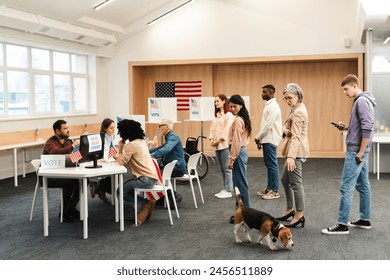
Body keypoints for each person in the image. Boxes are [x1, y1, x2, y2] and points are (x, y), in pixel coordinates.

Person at [322, 74, 376, 235]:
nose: (345, 92)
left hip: (356, 152)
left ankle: (342, 224)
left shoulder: (361, 101)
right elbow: (361, 128)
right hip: (361, 150)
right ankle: (365, 219)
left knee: (346, 186)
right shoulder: (364, 101)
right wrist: (347, 128)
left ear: (354, 85)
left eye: (346, 89)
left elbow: (368, 127)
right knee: (363, 185)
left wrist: (360, 151)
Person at [114, 119, 160, 225]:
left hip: (145, 179)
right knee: (126, 188)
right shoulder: (141, 142)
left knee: (120, 191)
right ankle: (146, 204)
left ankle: (144, 205)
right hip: (151, 177)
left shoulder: (131, 145)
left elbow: (121, 161)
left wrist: (120, 148)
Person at [277, 83, 309, 228]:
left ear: (298, 96)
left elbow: (295, 136)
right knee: (285, 180)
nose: (288, 101)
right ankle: (290, 209)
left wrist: (291, 157)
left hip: (295, 152)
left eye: (289, 97)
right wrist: (285, 129)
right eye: (285, 98)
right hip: (293, 151)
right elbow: (286, 127)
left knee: (296, 184)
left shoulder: (299, 112)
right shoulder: (295, 109)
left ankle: (299, 214)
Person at [42, 119, 80, 222]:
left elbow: (74, 158)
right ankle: (64, 212)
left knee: (82, 182)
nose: (68, 130)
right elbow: (55, 153)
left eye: (68, 128)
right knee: (70, 184)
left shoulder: (68, 141)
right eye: (65, 128)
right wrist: (72, 147)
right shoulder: (50, 143)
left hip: (64, 173)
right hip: (49, 176)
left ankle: (70, 208)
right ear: (57, 131)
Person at [254, 84, 283, 200]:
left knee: (272, 165)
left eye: (265, 92)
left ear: (272, 93)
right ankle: (270, 188)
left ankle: (275, 191)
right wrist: (260, 139)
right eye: (262, 92)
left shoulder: (273, 106)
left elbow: (268, 126)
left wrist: (257, 137)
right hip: (267, 139)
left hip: (270, 139)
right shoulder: (269, 106)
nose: (262, 94)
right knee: (269, 165)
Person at [228, 94, 252, 224]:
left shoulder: (238, 120)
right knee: (239, 184)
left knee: (241, 185)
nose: (232, 109)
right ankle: (240, 212)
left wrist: (232, 159)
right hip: (241, 152)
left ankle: (245, 214)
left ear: (241, 105)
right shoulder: (242, 118)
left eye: (234, 106)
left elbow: (236, 141)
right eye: (230, 106)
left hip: (238, 152)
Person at [209, 94, 235, 199]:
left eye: (218, 101)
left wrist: (217, 141)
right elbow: (212, 129)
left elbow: (226, 131)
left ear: (224, 101)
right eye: (215, 102)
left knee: (226, 168)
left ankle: (229, 190)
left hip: (224, 145)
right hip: (217, 146)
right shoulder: (217, 115)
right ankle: (224, 188)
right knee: (221, 168)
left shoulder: (229, 115)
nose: (216, 103)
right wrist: (211, 139)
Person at [90, 118, 117, 203]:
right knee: (115, 175)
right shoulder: (102, 139)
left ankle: (100, 188)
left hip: (108, 161)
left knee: (118, 175)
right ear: (105, 129)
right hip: (102, 161)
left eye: (114, 128)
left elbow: (112, 150)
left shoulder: (110, 137)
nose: (114, 130)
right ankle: (101, 188)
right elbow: (105, 153)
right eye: (111, 128)